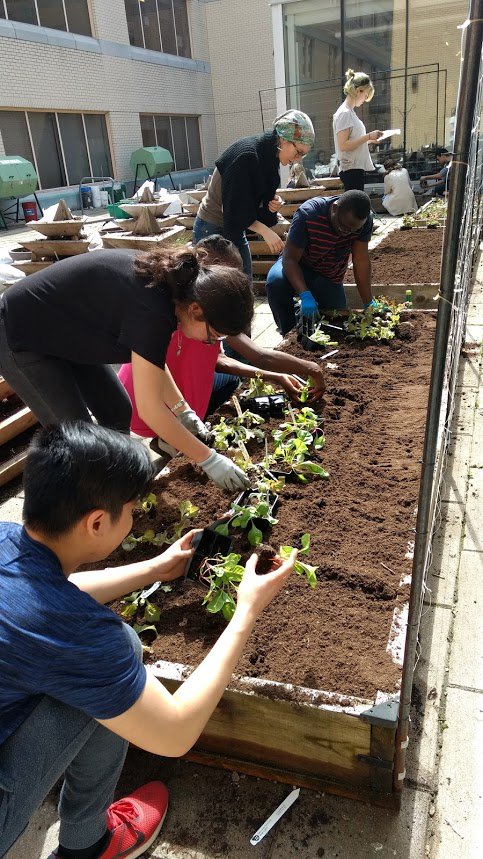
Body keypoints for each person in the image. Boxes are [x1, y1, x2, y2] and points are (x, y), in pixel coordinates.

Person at [0, 421, 297, 859]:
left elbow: (44, 598)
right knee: (111, 664)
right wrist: (247, 610)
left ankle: (86, 836)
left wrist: (156, 568)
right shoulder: (79, 636)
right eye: (132, 509)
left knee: (107, 664)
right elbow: (175, 734)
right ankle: (90, 846)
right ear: (97, 522)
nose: (136, 516)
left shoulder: (8, 538)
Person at [0, 246, 254, 491]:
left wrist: (183, 411)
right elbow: (150, 410)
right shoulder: (153, 309)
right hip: (20, 334)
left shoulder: (173, 293)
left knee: (117, 410)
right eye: (214, 335)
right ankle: (86, 506)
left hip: (67, 331)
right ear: (197, 309)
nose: (210, 342)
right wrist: (208, 459)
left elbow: (152, 362)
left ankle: (115, 484)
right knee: (78, 436)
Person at [118, 236, 326, 449]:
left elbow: (219, 359)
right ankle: (172, 436)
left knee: (229, 382)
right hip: (146, 398)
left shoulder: (206, 306)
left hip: (169, 389)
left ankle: (185, 429)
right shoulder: (195, 309)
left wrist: (276, 376)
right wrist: (311, 369)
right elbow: (260, 356)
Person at [192, 109, 315, 276]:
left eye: (303, 154)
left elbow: (252, 206)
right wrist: (265, 232)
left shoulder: (270, 158)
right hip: (212, 226)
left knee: (243, 283)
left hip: (235, 227)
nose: (298, 159)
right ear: (284, 140)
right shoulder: (246, 156)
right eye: (298, 152)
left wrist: (270, 206)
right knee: (218, 291)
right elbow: (233, 211)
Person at [266, 190, 374, 336]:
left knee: (335, 318)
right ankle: (289, 332)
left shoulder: (363, 221)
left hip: (329, 273)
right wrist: (305, 294)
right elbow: (289, 259)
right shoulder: (309, 214)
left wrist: (368, 303)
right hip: (300, 265)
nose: (347, 233)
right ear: (335, 209)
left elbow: (360, 260)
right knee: (275, 282)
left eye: (353, 230)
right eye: (343, 227)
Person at [333, 69, 383, 192]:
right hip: (351, 169)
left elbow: (351, 142)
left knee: (357, 207)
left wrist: (370, 141)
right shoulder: (345, 113)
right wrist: (368, 136)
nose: (365, 99)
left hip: (354, 168)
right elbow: (343, 145)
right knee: (356, 208)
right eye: (365, 95)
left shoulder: (349, 113)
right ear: (358, 90)